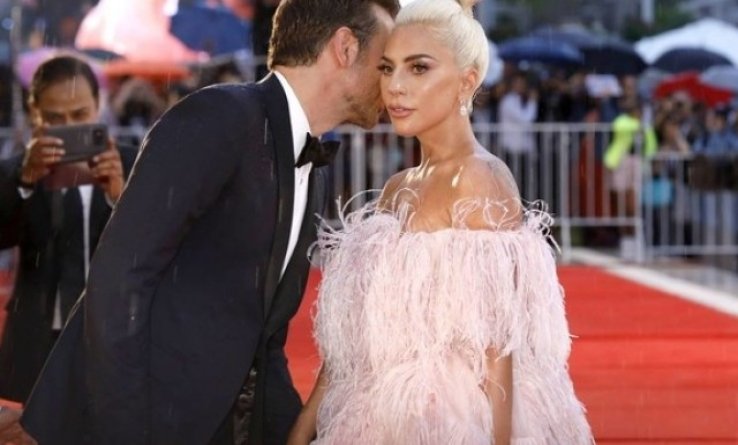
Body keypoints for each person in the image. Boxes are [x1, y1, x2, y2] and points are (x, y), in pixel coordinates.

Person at [18, 1, 398, 444]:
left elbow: (264, 341)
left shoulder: (312, 170)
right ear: (345, 48)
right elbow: (118, 282)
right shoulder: (220, 117)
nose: (392, 83)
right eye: (384, 64)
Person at [288, 0, 593, 443]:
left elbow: (498, 350)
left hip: (456, 422)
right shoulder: (396, 188)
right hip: (375, 417)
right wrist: (300, 433)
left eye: (418, 68)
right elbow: (349, 349)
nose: (395, 87)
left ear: (467, 81)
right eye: (388, 68)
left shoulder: (479, 179)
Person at [0, 55, 135, 404]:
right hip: (36, 346)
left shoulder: (134, 164)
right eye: (55, 119)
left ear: (98, 105)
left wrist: (119, 198)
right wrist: (25, 181)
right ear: (35, 114)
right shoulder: (14, 172)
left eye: (79, 115)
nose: (69, 127)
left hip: (115, 339)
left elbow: (156, 246)